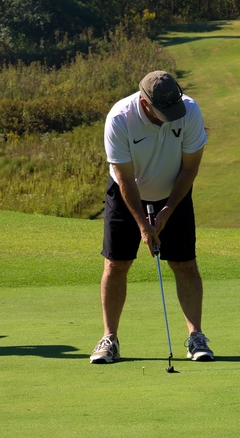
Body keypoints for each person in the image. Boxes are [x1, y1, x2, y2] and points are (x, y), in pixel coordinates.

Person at [90, 70, 214, 364]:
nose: (172, 117)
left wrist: (169, 209)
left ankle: (196, 336)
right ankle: (110, 338)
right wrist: (144, 226)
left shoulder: (189, 111)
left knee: (185, 264)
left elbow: (190, 168)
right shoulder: (120, 118)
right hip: (127, 193)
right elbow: (125, 180)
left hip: (175, 191)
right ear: (145, 104)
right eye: (164, 112)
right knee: (116, 263)